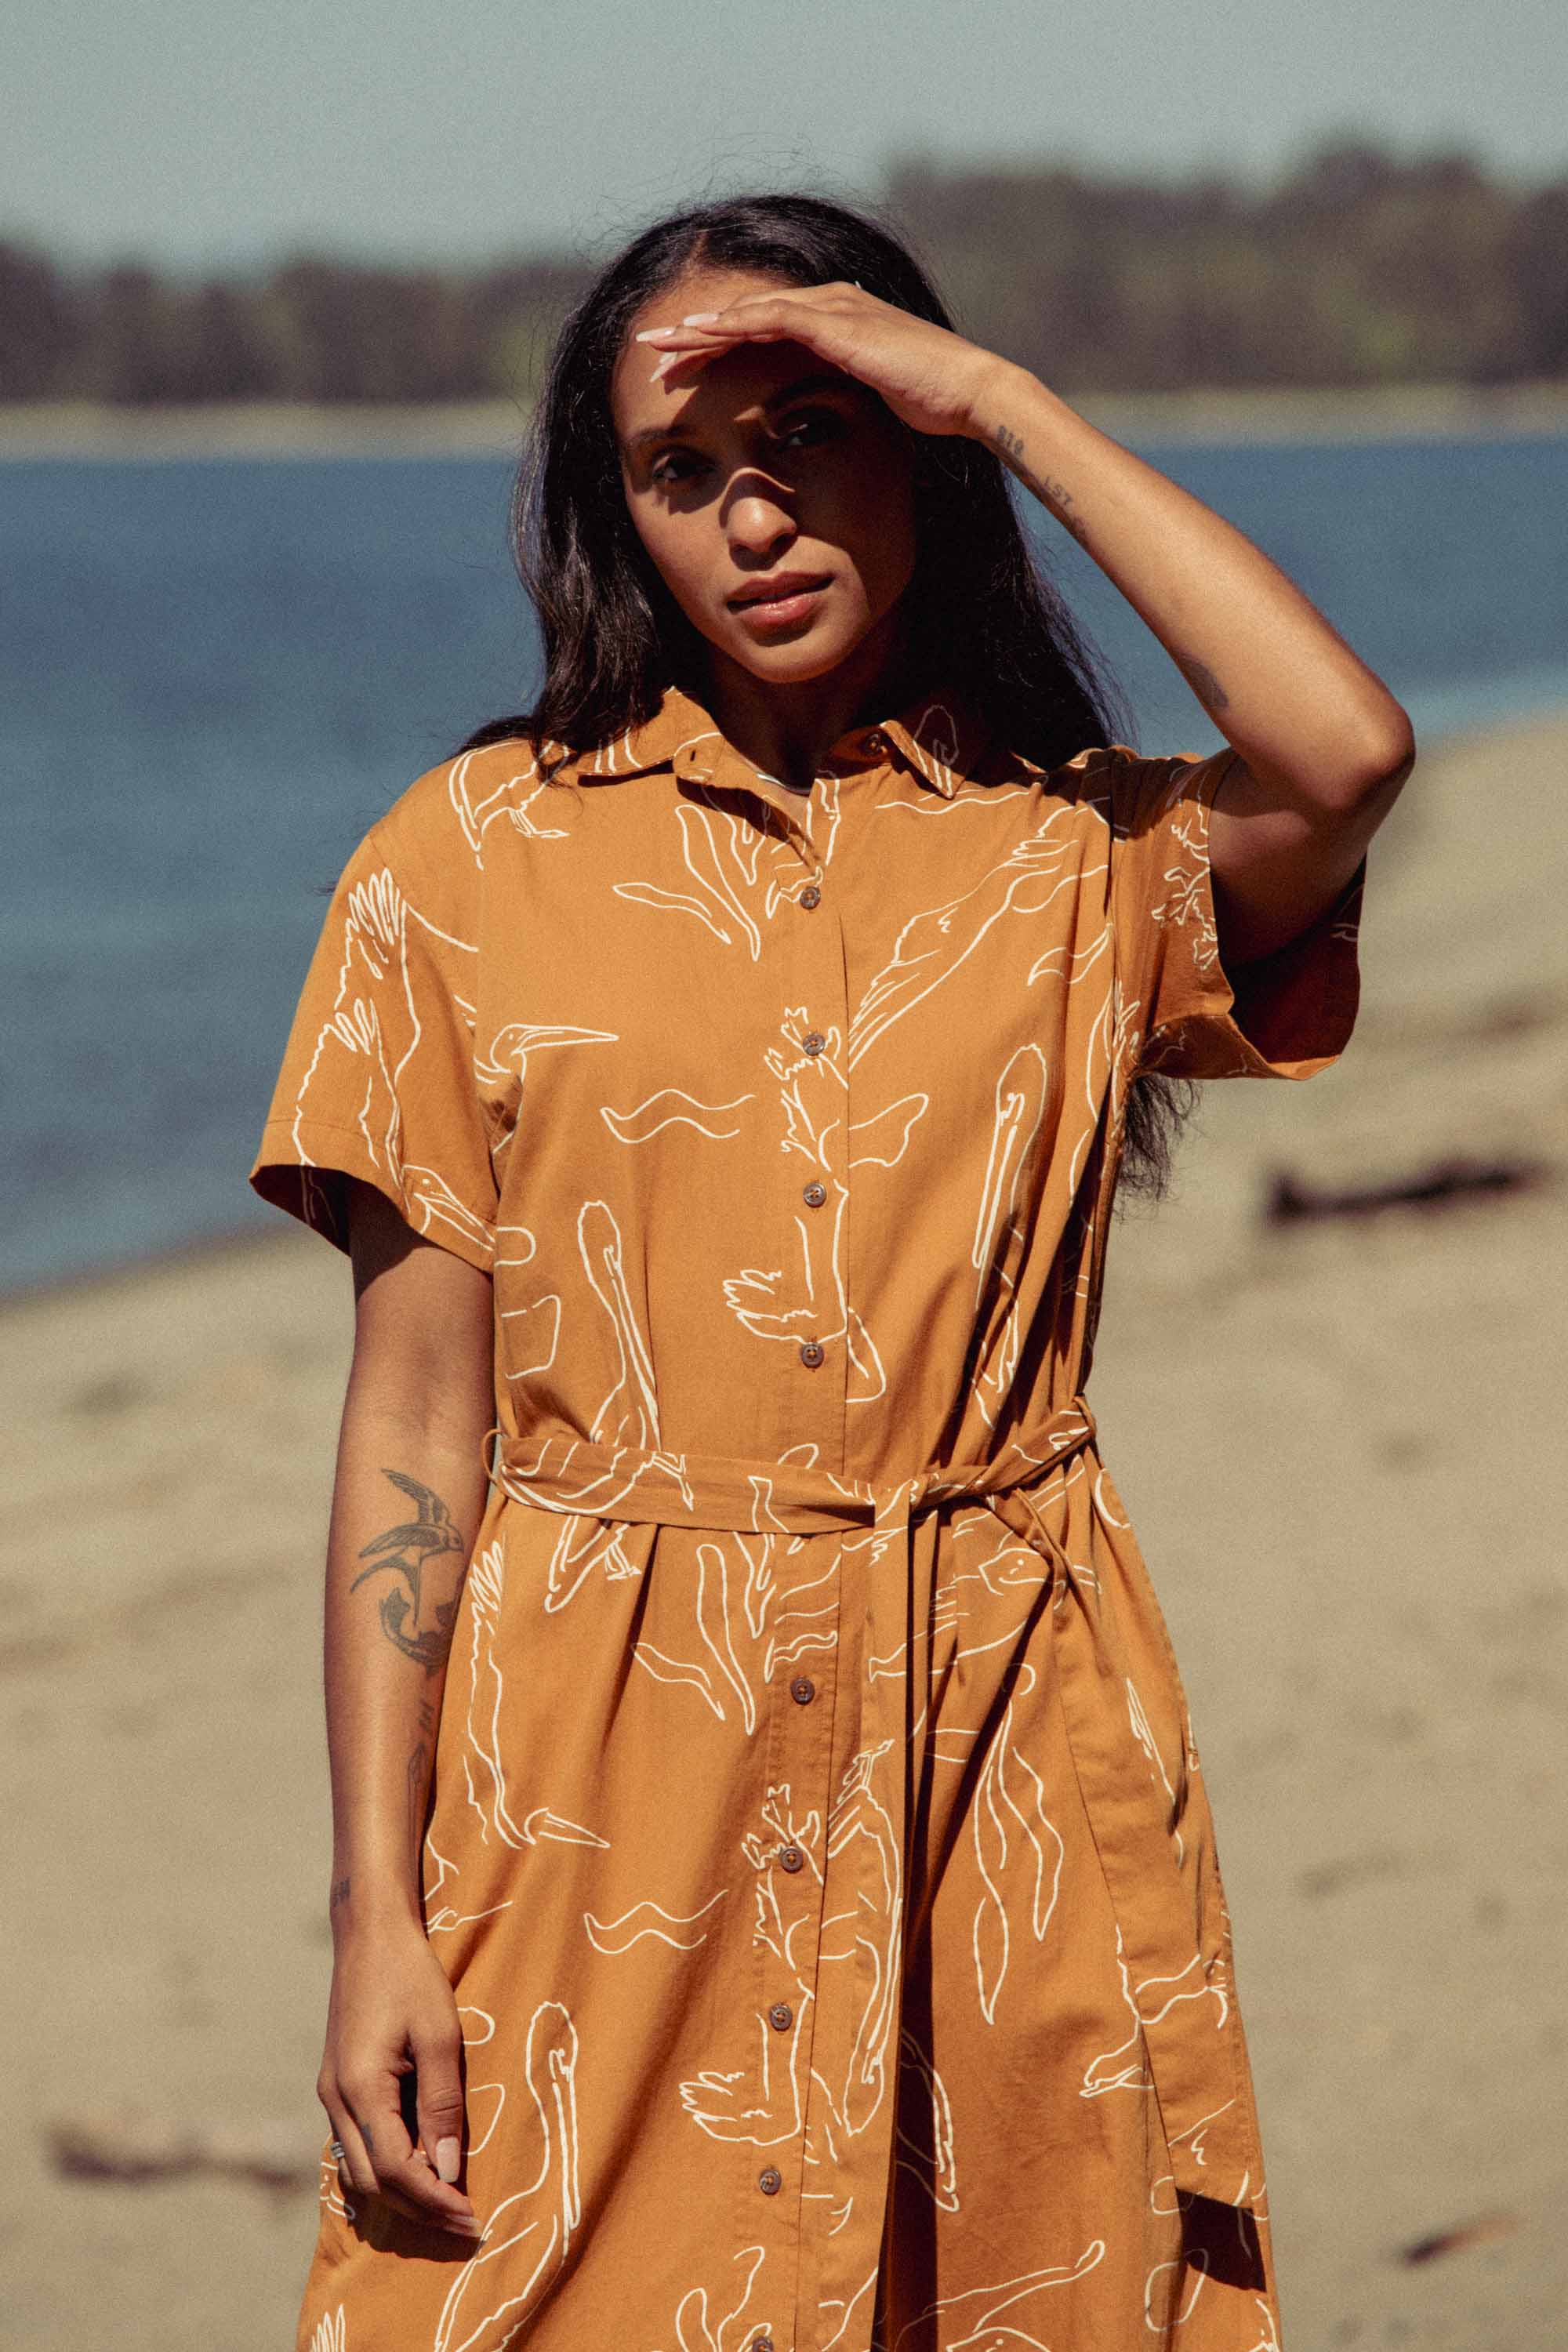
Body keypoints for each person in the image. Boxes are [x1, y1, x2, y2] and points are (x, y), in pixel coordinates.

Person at [250, 190, 1412, 2352]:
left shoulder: (1085, 855)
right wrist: (374, 1919)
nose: (754, 520)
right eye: (685, 474)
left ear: (918, 456)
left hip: (1003, 1740)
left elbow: (1344, 751)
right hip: (599, 1783)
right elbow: (414, 1422)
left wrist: (999, 399)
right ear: (618, 526)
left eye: (814, 436)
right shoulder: (460, 864)